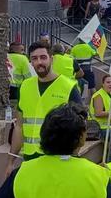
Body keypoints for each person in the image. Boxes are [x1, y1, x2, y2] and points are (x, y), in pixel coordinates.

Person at [8, 43, 81, 174]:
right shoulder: (25, 86)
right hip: (30, 158)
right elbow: (19, 126)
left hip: (58, 159)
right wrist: (11, 162)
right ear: (30, 61)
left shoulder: (69, 87)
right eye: (34, 58)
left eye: (43, 57)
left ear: (51, 59)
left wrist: (73, 157)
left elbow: (80, 127)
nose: (39, 62)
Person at [89, 74, 111, 160]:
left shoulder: (109, 94)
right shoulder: (98, 95)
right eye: (108, 82)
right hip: (99, 128)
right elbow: (98, 113)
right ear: (103, 84)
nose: (110, 84)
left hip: (107, 126)